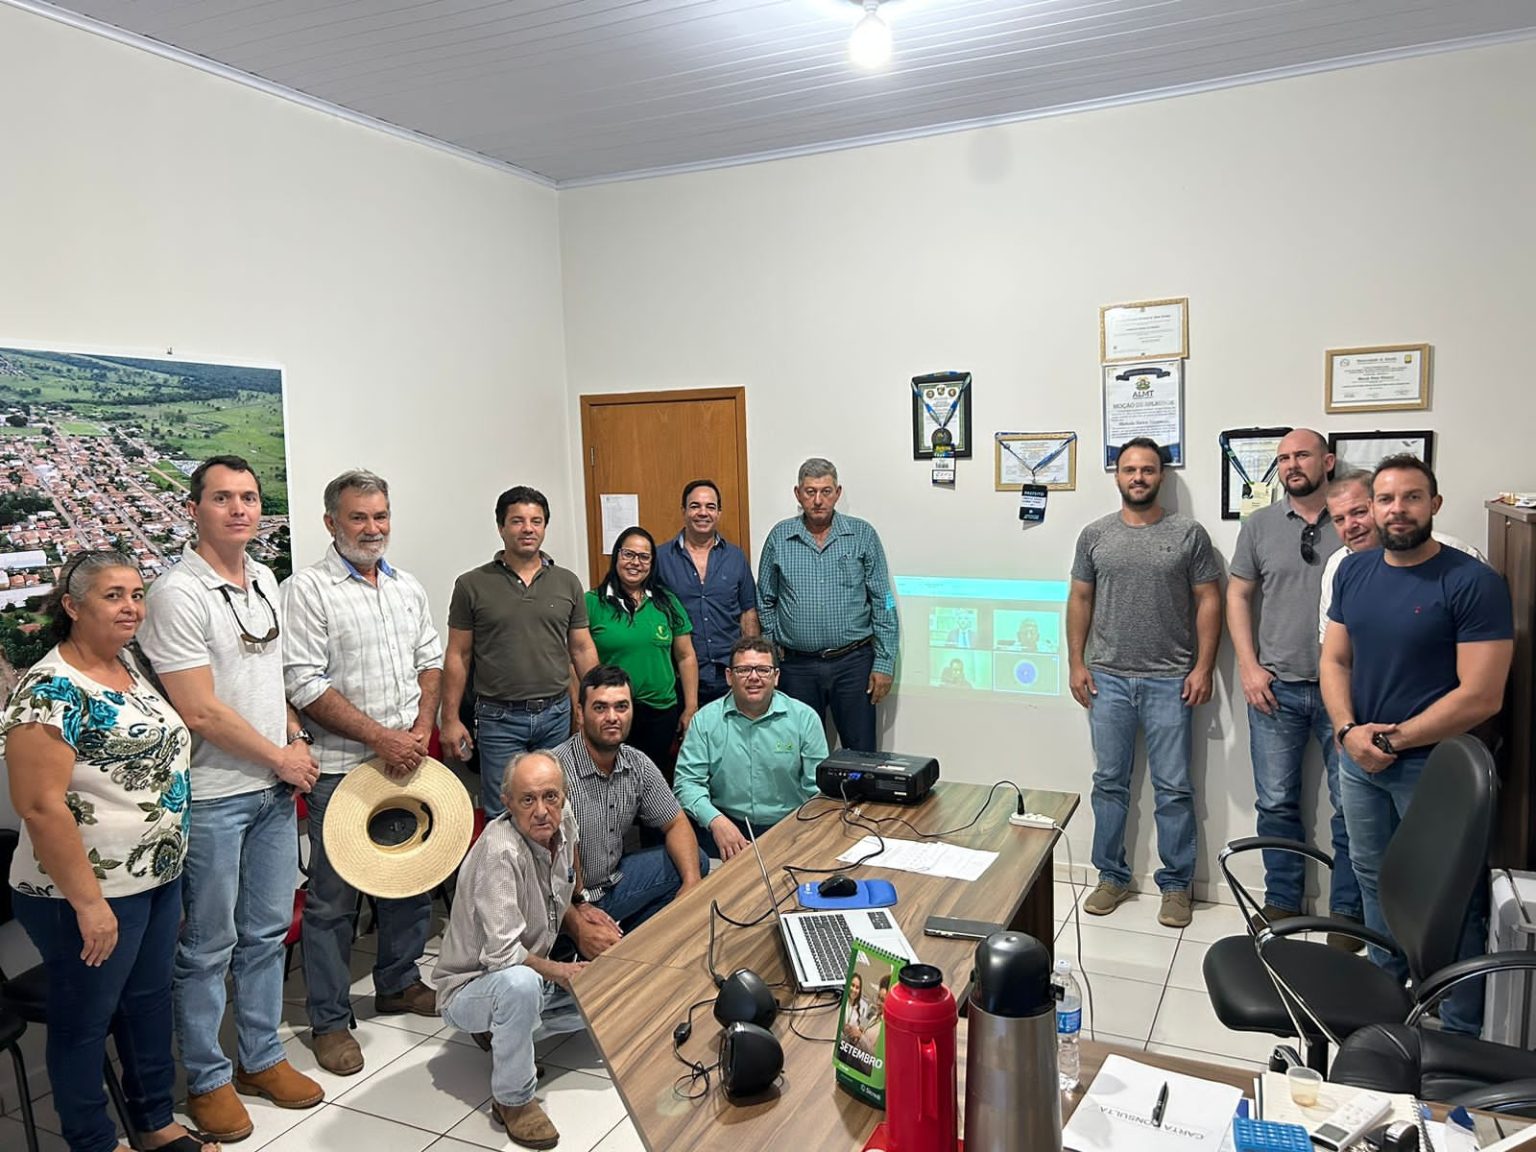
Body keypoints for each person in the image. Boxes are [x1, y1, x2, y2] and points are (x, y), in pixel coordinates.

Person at [3, 551, 217, 1152]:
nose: (130, 607)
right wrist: (89, 904)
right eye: (113, 595)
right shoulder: (50, 689)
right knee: (85, 1021)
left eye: (136, 594)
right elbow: (39, 807)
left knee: (147, 1004)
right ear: (73, 606)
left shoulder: (128, 665)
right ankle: (94, 1141)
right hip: (84, 894)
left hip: (153, 878)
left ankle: (155, 1122)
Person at [138, 456, 323, 1141]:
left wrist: (293, 737)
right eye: (223, 498)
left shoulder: (265, 580)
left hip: (272, 790)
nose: (239, 509)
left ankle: (261, 1057)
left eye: (248, 497)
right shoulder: (176, 593)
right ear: (194, 510)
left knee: (266, 934)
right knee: (208, 947)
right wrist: (281, 756)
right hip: (215, 796)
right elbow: (200, 710)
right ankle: (208, 1078)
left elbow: (269, 682)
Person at [1321, 455, 1513, 1035]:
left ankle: (1458, 1030)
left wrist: (1391, 738)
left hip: (1437, 767)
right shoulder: (1352, 572)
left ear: (1435, 504)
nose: (1397, 510)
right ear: (1372, 507)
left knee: (1450, 898)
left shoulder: (1472, 582)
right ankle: (1388, 1011)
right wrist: (1347, 731)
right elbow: (1334, 660)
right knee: (1374, 878)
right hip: (1360, 759)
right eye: (1385, 499)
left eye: (1411, 497)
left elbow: (1482, 696)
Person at [281, 469, 446, 1076]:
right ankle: (329, 1020)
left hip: (407, 763)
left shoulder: (406, 587)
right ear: (332, 523)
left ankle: (398, 982)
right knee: (332, 902)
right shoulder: (308, 590)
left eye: (380, 516)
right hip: (343, 771)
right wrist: (381, 738)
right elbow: (304, 682)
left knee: (409, 879)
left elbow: (430, 661)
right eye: (359, 517)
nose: (373, 528)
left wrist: (421, 727)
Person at [1067, 437, 1222, 929]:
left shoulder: (1188, 534)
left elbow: (1210, 600)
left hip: (1170, 680)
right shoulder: (1095, 535)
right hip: (1107, 678)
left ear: (1162, 476)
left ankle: (1176, 886)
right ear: (1117, 475)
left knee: (1174, 788)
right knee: (1109, 784)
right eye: (1130, 469)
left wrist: (1203, 667)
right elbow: (1080, 599)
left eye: (1148, 470)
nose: (1138, 477)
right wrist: (1076, 662)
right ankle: (1111, 876)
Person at [1227, 428, 1363, 946]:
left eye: (1301, 454)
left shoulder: (1354, 519)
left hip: (1345, 692)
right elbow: (1238, 596)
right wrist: (1248, 666)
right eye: (1283, 458)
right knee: (1276, 803)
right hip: (1276, 689)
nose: (1291, 465)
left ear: (1327, 461)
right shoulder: (1260, 525)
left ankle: (1347, 912)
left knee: (1352, 806)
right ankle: (1282, 902)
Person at [433, 752, 589, 1150]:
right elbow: (503, 957)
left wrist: (583, 904)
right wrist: (562, 972)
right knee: (520, 986)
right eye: (527, 800)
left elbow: (572, 866)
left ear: (564, 796)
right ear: (507, 803)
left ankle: (505, 1031)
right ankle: (513, 1099)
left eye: (551, 796)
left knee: (607, 991)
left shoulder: (564, 819)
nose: (542, 811)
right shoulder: (500, 852)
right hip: (473, 983)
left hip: (528, 968)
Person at [441, 486, 598, 816]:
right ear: (501, 527)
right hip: (498, 719)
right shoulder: (471, 585)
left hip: (556, 716)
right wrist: (451, 719)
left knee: (555, 809)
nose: (528, 528)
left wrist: (596, 703)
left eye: (536, 521)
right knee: (504, 813)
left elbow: (582, 648)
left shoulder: (567, 582)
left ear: (544, 527)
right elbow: (458, 655)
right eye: (517, 521)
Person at [550, 665, 706, 957]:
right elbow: (535, 876)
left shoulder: (637, 763)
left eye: (621, 706)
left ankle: (626, 945)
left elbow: (676, 823)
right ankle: (578, 944)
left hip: (610, 885)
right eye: (600, 708)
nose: (612, 717)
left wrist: (691, 887)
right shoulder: (552, 772)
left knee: (694, 862)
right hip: (561, 903)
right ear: (580, 714)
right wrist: (577, 924)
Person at [757, 458, 898, 752]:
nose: (818, 500)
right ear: (798, 494)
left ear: (838, 492)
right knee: (798, 751)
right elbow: (765, 599)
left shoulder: (862, 535)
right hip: (796, 667)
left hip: (853, 664)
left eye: (826, 491)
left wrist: (884, 664)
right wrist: (771, 651)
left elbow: (883, 602)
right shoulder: (780, 537)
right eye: (810, 492)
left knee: (861, 753)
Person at [674, 636, 828, 860]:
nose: (754, 677)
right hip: (724, 828)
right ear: (729, 676)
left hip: (789, 826)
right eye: (744, 670)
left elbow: (819, 790)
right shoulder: (705, 720)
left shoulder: (804, 719)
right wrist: (715, 821)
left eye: (763, 670)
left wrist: (805, 833)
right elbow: (687, 784)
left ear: (776, 676)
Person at [1316, 468, 1485, 643]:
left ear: (1378, 507)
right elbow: (1330, 647)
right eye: (1339, 520)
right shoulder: (1338, 566)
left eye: (1359, 512)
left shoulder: (1460, 558)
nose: (1350, 526)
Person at [585, 527, 699, 781]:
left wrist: (690, 707)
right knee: (612, 781)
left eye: (644, 557)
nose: (635, 562)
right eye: (628, 554)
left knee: (653, 783)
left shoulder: (667, 602)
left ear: (652, 563)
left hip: (660, 712)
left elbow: (686, 656)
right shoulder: (592, 603)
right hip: (612, 713)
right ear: (616, 556)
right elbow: (575, 659)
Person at [655, 479, 759, 707]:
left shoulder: (735, 557)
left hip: (729, 675)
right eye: (695, 506)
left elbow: (748, 614)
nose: (703, 512)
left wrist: (749, 665)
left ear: (719, 513)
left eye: (710, 507)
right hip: (678, 675)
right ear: (683, 511)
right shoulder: (660, 559)